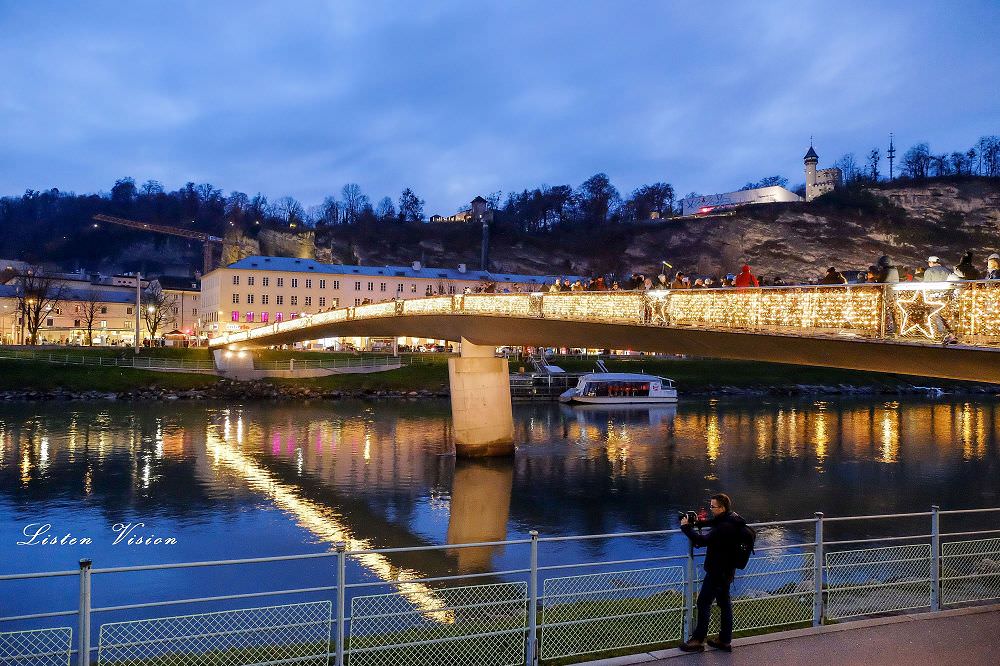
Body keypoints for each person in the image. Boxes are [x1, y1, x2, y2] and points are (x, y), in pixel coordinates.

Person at [678, 494, 748, 653]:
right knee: (724, 603)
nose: (710, 509)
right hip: (727, 570)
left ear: (722, 508)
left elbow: (702, 541)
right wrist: (696, 522)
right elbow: (713, 523)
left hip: (718, 571)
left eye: (712, 507)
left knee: (703, 602)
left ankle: (698, 639)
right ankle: (724, 640)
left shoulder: (725, 527)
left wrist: (686, 528)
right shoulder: (731, 518)